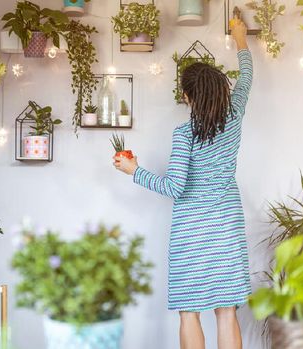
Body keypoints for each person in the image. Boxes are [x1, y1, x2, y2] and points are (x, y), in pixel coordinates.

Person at [113, 19, 253, 349]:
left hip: (191, 228)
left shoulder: (184, 134)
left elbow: (175, 187)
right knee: (226, 310)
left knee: (189, 311)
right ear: (220, 88)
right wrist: (241, 39)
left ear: (189, 96)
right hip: (227, 222)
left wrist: (134, 170)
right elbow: (247, 75)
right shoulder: (236, 112)